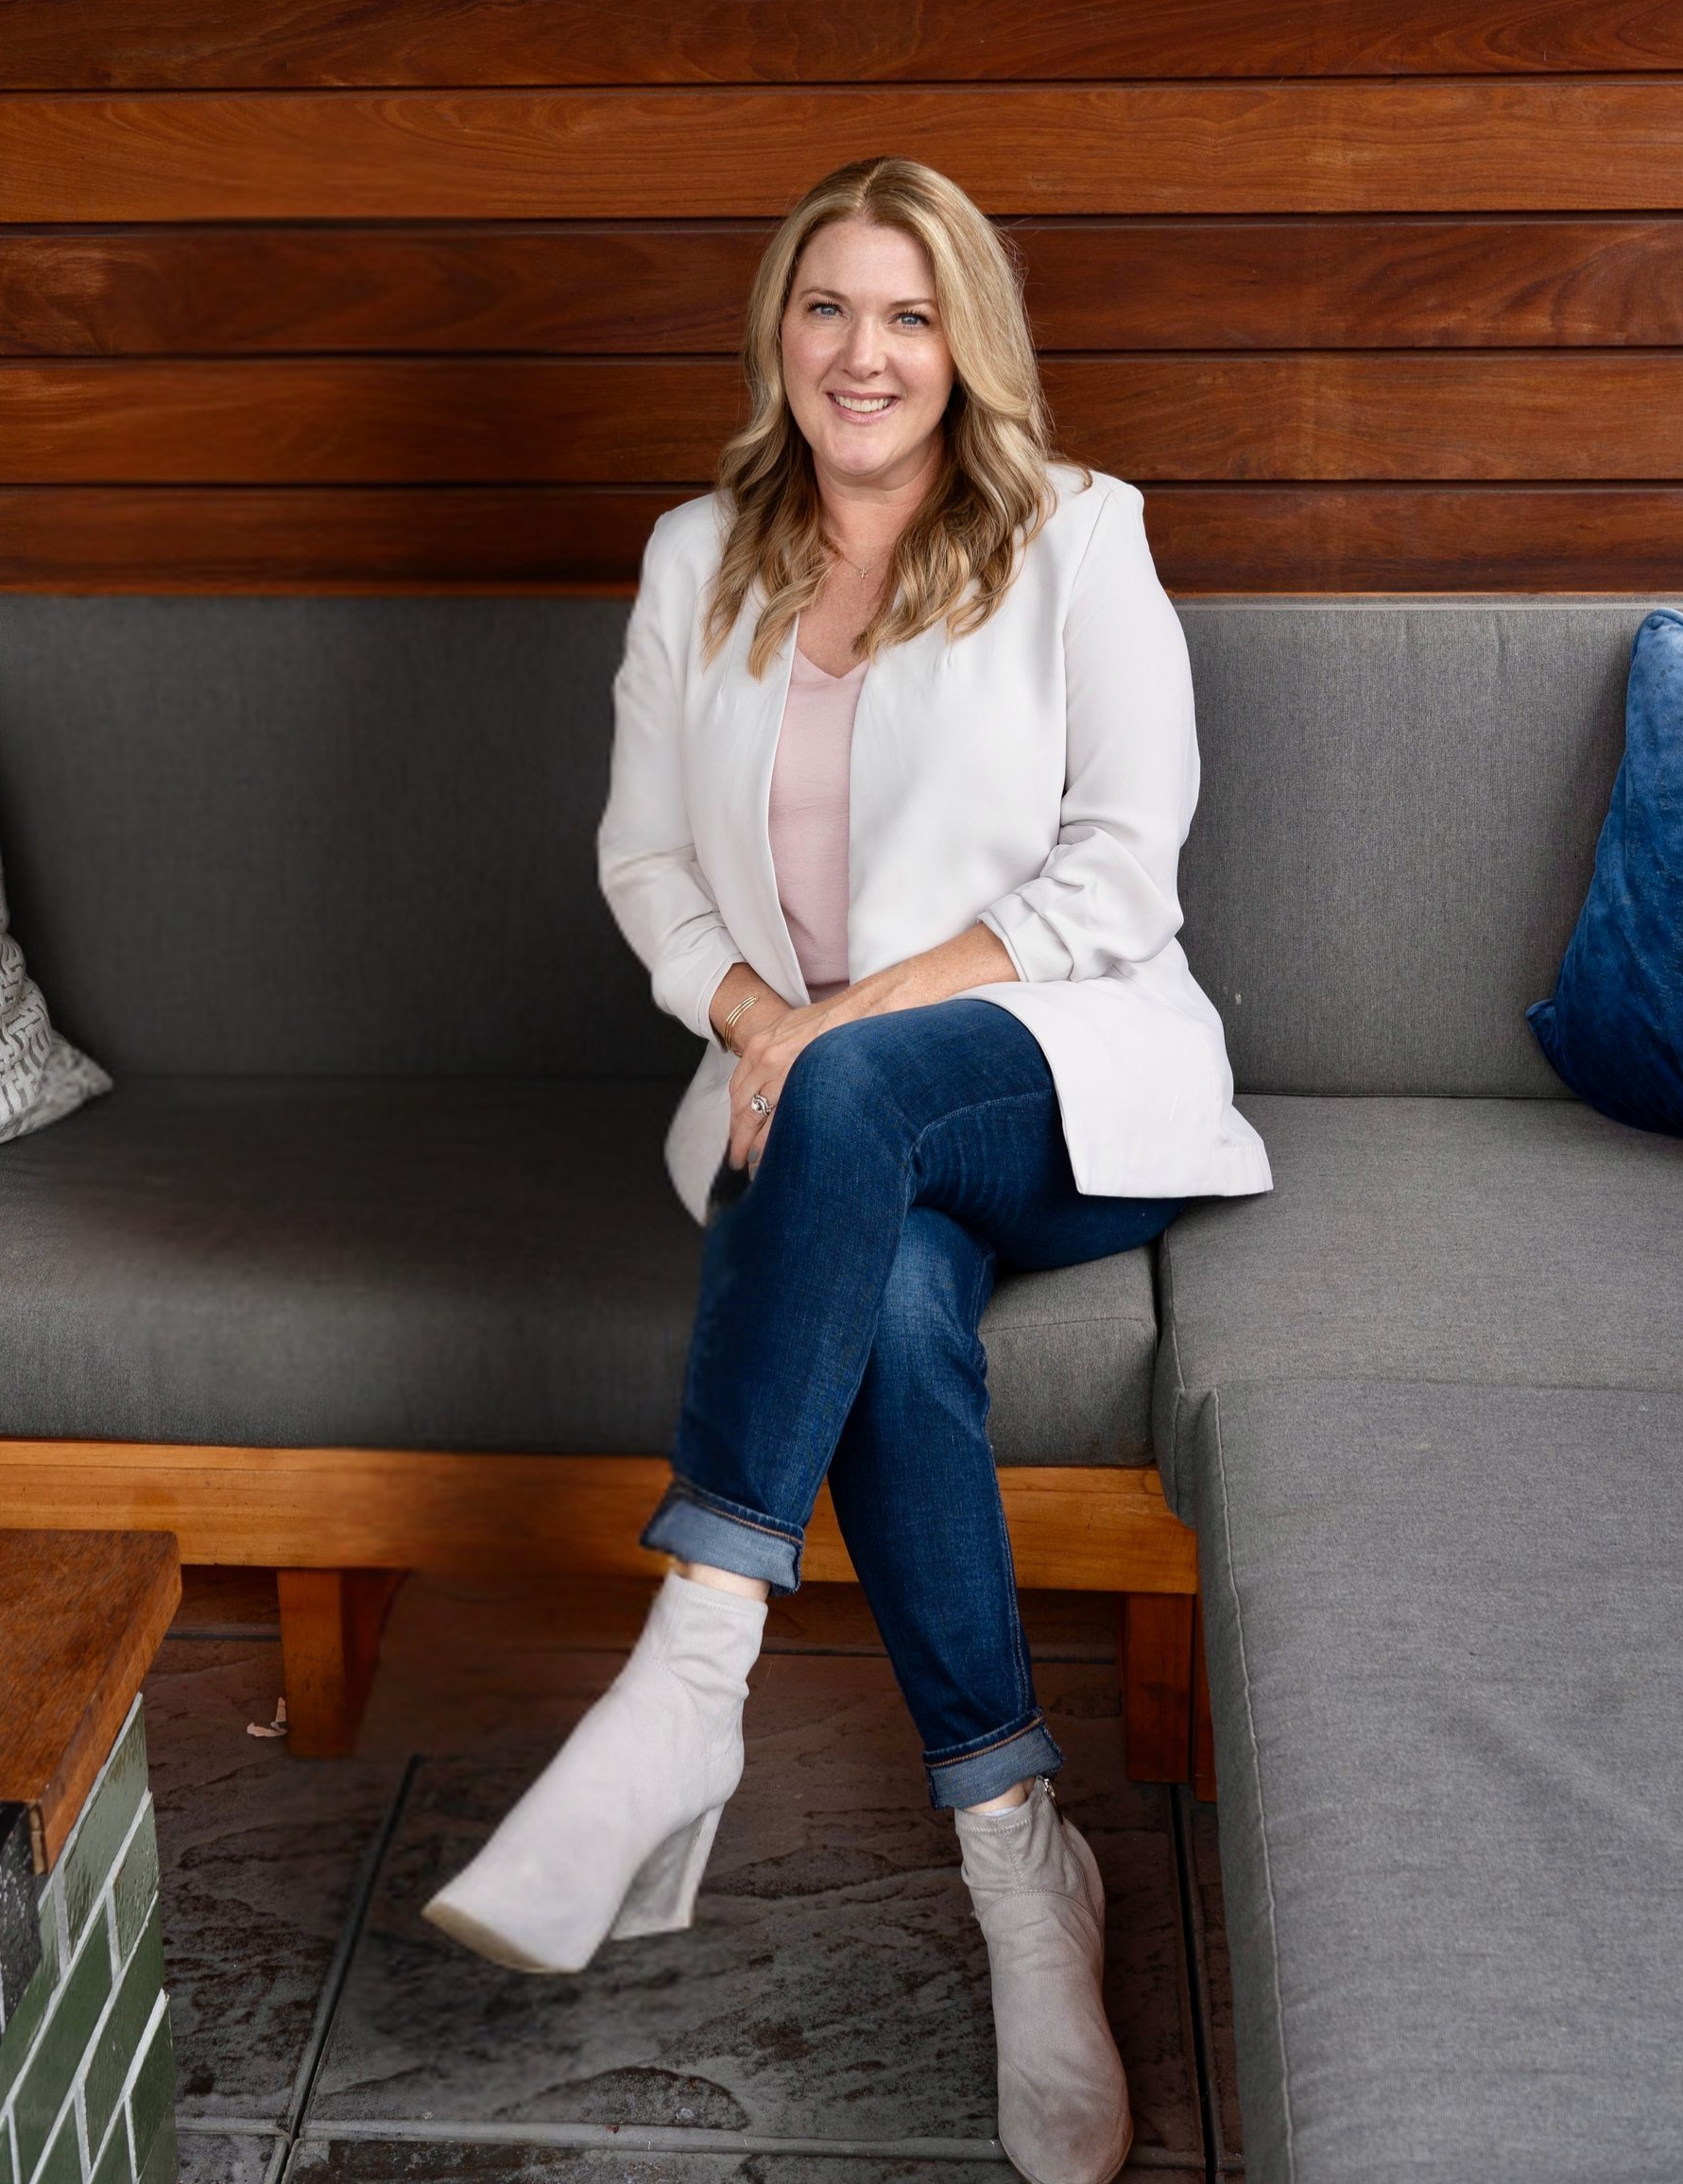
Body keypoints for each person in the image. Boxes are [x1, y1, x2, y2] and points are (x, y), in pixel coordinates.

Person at [423, 156, 1271, 2184]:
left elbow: (1121, 869)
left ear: (965, 342)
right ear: (778, 336)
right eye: (827, 308)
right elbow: (646, 857)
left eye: (907, 313)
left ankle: (686, 1679)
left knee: (866, 1096)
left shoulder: (1079, 537)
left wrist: (835, 1028)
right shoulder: (696, 556)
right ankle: (1018, 1862)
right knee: (886, 1306)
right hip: (799, 1112)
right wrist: (753, 1018)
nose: (863, 353)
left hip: (1055, 1077)